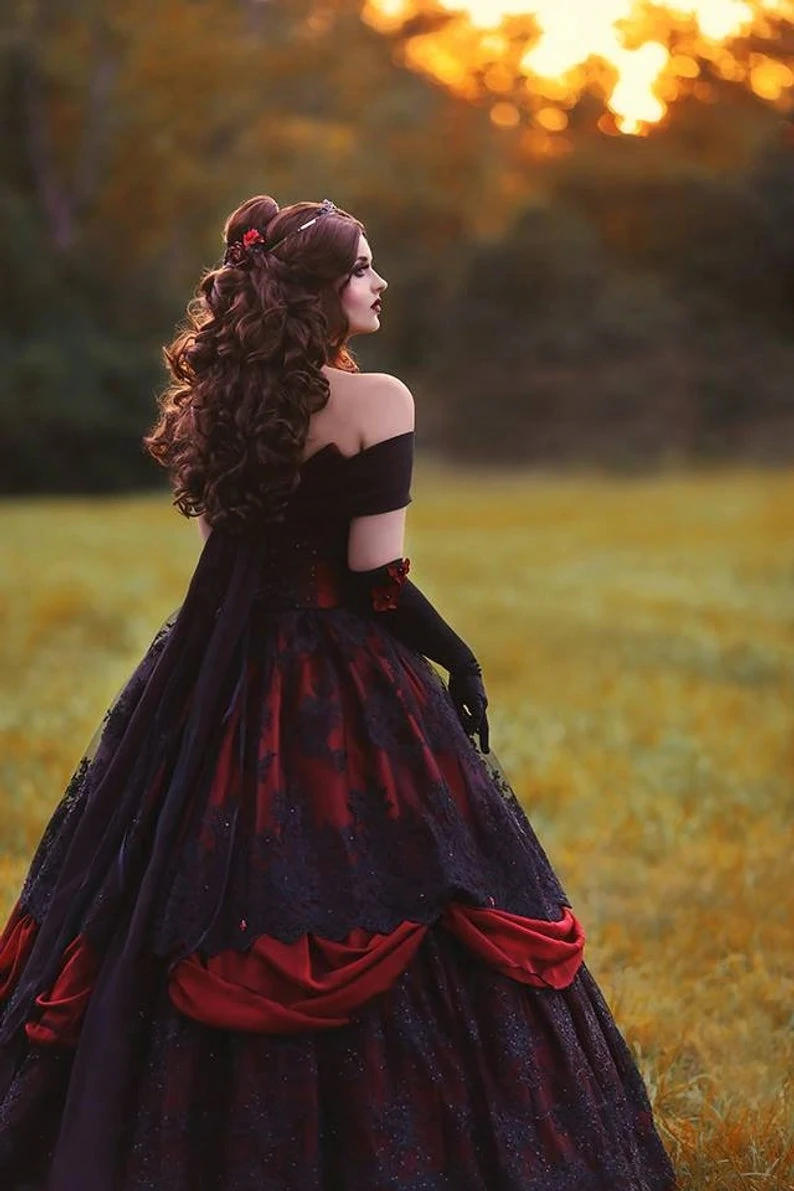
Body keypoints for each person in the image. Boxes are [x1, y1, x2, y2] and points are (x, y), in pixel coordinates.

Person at [0, 195, 677, 1190]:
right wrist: (457, 656)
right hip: (339, 676)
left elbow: (227, 566)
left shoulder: (214, 399)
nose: (379, 282)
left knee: (187, 897)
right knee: (387, 886)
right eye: (363, 267)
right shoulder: (379, 399)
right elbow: (374, 575)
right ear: (317, 290)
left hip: (213, 675)